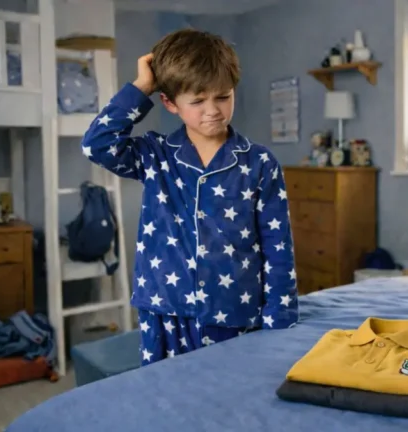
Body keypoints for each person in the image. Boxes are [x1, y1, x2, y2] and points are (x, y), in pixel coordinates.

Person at [80, 29, 299, 365]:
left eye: (223, 97)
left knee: (231, 390)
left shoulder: (260, 163)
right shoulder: (155, 155)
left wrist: (279, 320)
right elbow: (97, 144)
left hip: (235, 309)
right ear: (170, 103)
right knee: (165, 392)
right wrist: (141, 88)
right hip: (165, 311)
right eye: (197, 101)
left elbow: (277, 245)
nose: (213, 110)